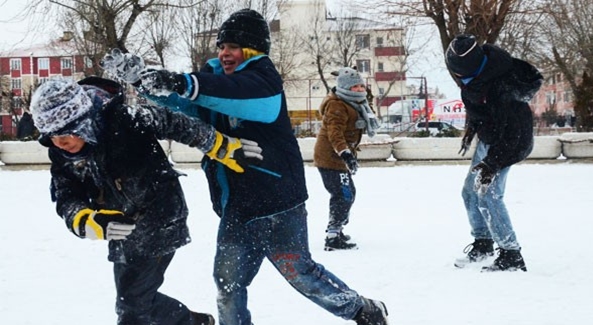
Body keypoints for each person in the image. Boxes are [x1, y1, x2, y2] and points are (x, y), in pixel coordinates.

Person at [103, 8, 389, 325]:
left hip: (278, 205)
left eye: (233, 47)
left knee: (301, 274)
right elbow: (187, 103)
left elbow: (231, 94)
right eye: (221, 47)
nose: (225, 53)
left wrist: (183, 81)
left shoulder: (263, 83)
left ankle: (363, 309)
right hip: (238, 208)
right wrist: (144, 81)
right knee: (228, 285)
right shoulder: (215, 84)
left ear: (251, 50)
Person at [30, 76, 264, 325]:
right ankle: (195, 322)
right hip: (119, 226)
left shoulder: (125, 118)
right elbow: (66, 193)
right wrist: (85, 220)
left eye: (66, 132)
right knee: (132, 300)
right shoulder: (61, 151)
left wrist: (220, 146)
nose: (59, 142)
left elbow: (177, 124)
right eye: (52, 136)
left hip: (158, 217)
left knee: (132, 307)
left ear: (82, 121)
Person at [445, 34, 543, 272]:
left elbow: (514, 137)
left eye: (460, 75)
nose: (459, 79)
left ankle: (511, 255)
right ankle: (484, 243)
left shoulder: (503, 88)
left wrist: (492, 163)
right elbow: (482, 113)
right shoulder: (476, 79)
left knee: (489, 196)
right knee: (470, 193)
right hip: (490, 140)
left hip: (508, 146)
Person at [313, 67, 380, 251]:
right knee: (344, 195)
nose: (360, 89)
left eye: (361, 85)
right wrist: (346, 154)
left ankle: (338, 229)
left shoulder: (356, 103)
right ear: (345, 88)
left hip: (339, 157)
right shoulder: (337, 105)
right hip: (330, 158)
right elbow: (335, 133)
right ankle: (332, 236)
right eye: (355, 87)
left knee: (348, 193)